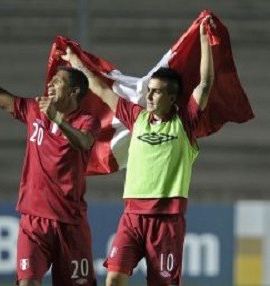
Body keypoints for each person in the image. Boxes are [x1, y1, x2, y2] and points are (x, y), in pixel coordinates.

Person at [61, 15, 215, 286]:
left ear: (171, 97)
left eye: (156, 92)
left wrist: (204, 41)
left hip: (166, 222)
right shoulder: (138, 117)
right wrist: (75, 63)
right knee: (114, 279)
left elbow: (205, 84)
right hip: (131, 217)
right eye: (150, 91)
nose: (150, 96)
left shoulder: (185, 124)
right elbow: (99, 88)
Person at [0, 28, 100, 286]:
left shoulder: (87, 121)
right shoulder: (33, 110)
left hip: (70, 225)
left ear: (74, 92)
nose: (50, 85)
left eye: (58, 82)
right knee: (28, 282)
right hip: (34, 220)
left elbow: (84, 143)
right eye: (50, 82)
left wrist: (57, 119)